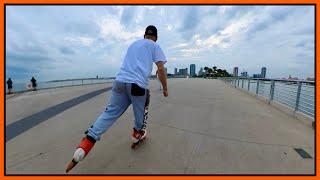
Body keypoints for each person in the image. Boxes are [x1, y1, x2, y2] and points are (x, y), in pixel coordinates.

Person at [66, 25, 168, 172]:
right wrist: (165, 88)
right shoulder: (154, 45)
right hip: (138, 86)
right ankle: (137, 133)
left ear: (144, 35)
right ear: (156, 38)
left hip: (119, 82)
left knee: (109, 113)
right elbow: (160, 69)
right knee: (142, 109)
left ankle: (84, 146)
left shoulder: (133, 44)